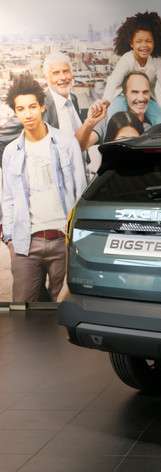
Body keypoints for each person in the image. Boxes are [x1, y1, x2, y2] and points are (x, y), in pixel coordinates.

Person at [1, 74, 86, 303]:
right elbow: (7, 198)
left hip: (62, 240)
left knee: (64, 307)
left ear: (42, 107)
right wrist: (10, 239)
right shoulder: (11, 152)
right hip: (26, 243)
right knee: (23, 307)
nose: (28, 114)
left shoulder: (66, 144)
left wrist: (76, 239)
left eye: (32, 107)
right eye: (21, 109)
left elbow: (80, 191)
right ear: (15, 112)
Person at [102, 12, 161, 123]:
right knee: (116, 121)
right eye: (139, 41)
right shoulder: (127, 60)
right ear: (131, 44)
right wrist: (106, 100)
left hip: (146, 99)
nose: (144, 45)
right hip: (122, 97)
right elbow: (114, 81)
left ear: (155, 43)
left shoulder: (154, 63)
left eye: (148, 41)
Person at [80, 72, 161, 150]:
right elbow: (80, 146)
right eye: (135, 92)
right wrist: (89, 123)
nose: (141, 98)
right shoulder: (107, 121)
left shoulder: (153, 126)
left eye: (145, 92)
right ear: (125, 94)